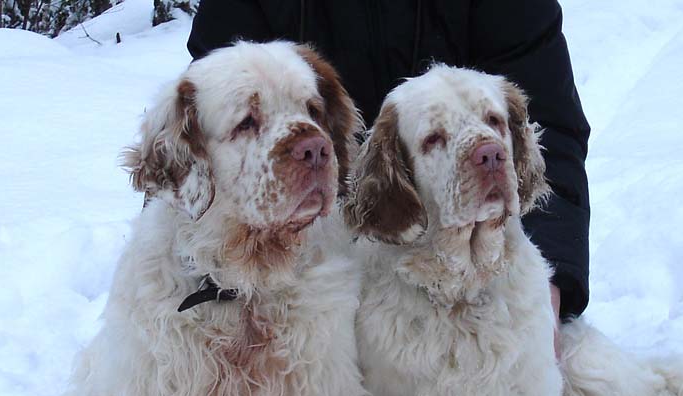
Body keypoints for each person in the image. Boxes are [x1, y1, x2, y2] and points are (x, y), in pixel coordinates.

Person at [187, 0, 591, 328]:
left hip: (472, 266)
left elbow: (544, 128)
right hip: (305, 270)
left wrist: (551, 287)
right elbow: (208, 135)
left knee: (582, 375)